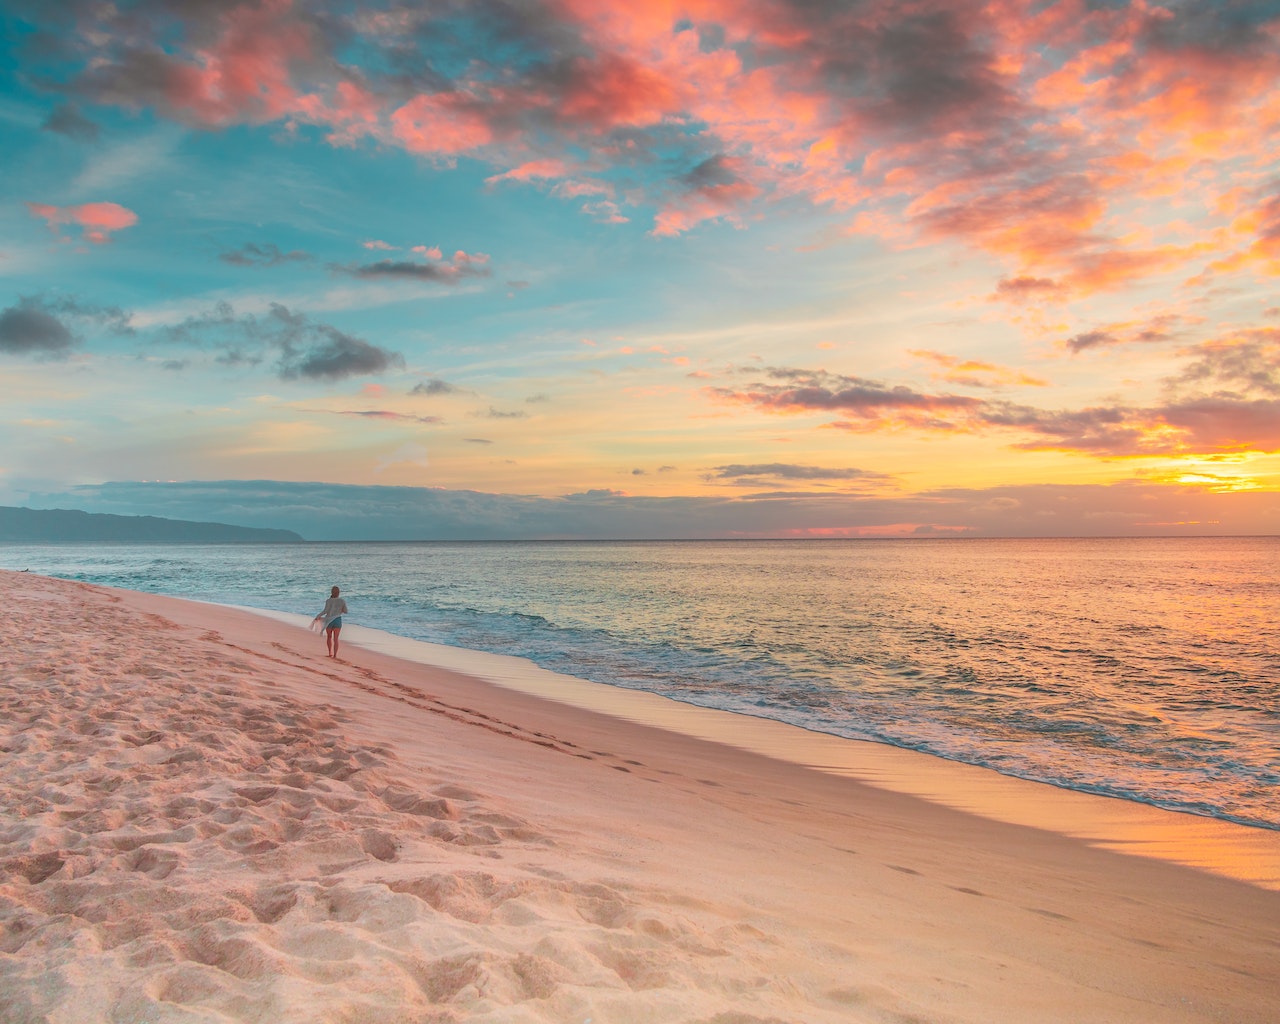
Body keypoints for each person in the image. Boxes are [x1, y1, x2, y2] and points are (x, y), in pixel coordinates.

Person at [314, 585, 349, 658]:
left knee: (329, 637)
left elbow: (325, 611)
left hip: (329, 620)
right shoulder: (342, 601)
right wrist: (340, 610)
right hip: (337, 620)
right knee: (336, 639)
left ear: (331, 592)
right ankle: (335, 655)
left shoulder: (328, 600)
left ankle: (330, 653)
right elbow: (346, 611)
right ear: (339, 593)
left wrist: (318, 616)